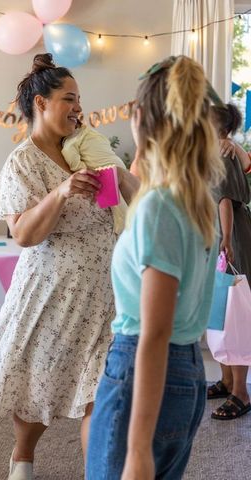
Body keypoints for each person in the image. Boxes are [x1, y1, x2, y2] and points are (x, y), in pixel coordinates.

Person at [0, 53, 139, 480]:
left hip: (106, 291)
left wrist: (120, 176)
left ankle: (99, 471)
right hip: (51, 294)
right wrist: (62, 192)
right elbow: (25, 235)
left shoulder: (86, 144)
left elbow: (134, 199)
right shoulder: (23, 161)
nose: (78, 107)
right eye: (69, 98)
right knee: (37, 383)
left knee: (103, 394)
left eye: (79, 98)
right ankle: (23, 458)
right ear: (41, 103)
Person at [86, 55, 225, 480]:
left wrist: (138, 449)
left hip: (144, 369)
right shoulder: (193, 199)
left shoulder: (161, 208)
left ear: (141, 116)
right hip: (184, 369)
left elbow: (155, 332)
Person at [207, 103, 251, 420]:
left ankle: (240, 392)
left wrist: (225, 239)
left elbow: (224, 199)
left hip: (231, 236)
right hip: (219, 237)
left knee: (233, 313)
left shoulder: (224, 152)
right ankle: (225, 380)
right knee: (219, 311)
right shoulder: (211, 153)